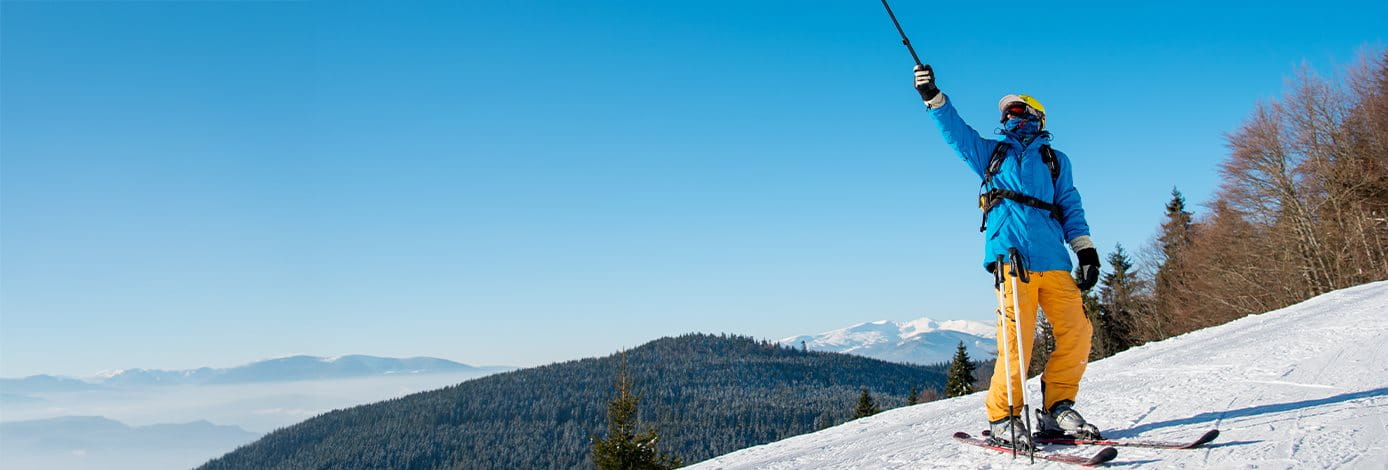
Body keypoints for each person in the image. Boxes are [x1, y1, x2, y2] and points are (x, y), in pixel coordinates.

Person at [912, 64, 1103, 449]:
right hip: (1011, 260)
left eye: (1018, 110)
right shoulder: (991, 155)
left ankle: (1057, 408)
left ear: (1037, 116)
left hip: (1054, 262)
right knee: (1017, 343)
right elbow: (956, 133)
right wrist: (933, 97)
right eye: (1007, 112)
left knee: (1079, 333)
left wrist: (1085, 249)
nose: (1010, 116)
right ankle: (1004, 416)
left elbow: (1070, 204)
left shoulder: (1055, 160)